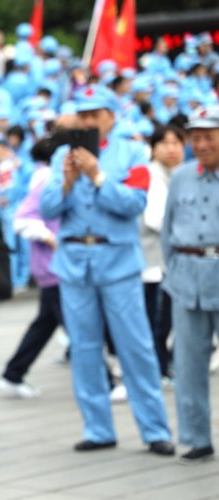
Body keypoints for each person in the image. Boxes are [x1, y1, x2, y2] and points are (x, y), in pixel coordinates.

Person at [40, 85, 174, 456]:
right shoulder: (62, 155)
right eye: (81, 115)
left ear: (111, 117)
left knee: (136, 347)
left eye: (94, 114)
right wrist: (68, 181)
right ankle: (98, 428)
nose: (87, 121)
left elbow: (135, 204)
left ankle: (155, 429)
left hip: (117, 260)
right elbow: (47, 208)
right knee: (84, 349)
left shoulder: (132, 152)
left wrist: (98, 176)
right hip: (73, 261)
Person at [161, 105, 219, 463]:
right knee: (187, 363)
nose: (201, 144)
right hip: (187, 278)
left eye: (208, 136)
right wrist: (174, 272)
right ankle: (198, 437)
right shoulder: (181, 176)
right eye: (195, 138)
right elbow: (168, 229)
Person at [0, 136, 62, 398]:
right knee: (79, 328)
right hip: (54, 266)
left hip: (55, 267)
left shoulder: (50, 178)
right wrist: (51, 238)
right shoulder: (49, 180)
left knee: (45, 323)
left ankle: (13, 373)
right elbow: (23, 218)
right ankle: (107, 380)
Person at [141, 126, 185, 383]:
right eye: (165, 143)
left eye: (177, 143)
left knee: (163, 319)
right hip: (152, 262)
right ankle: (157, 369)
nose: (171, 149)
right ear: (153, 147)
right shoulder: (153, 176)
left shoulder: (175, 174)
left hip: (165, 261)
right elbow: (155, 218)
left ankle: (162, 366)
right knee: (158, 320)